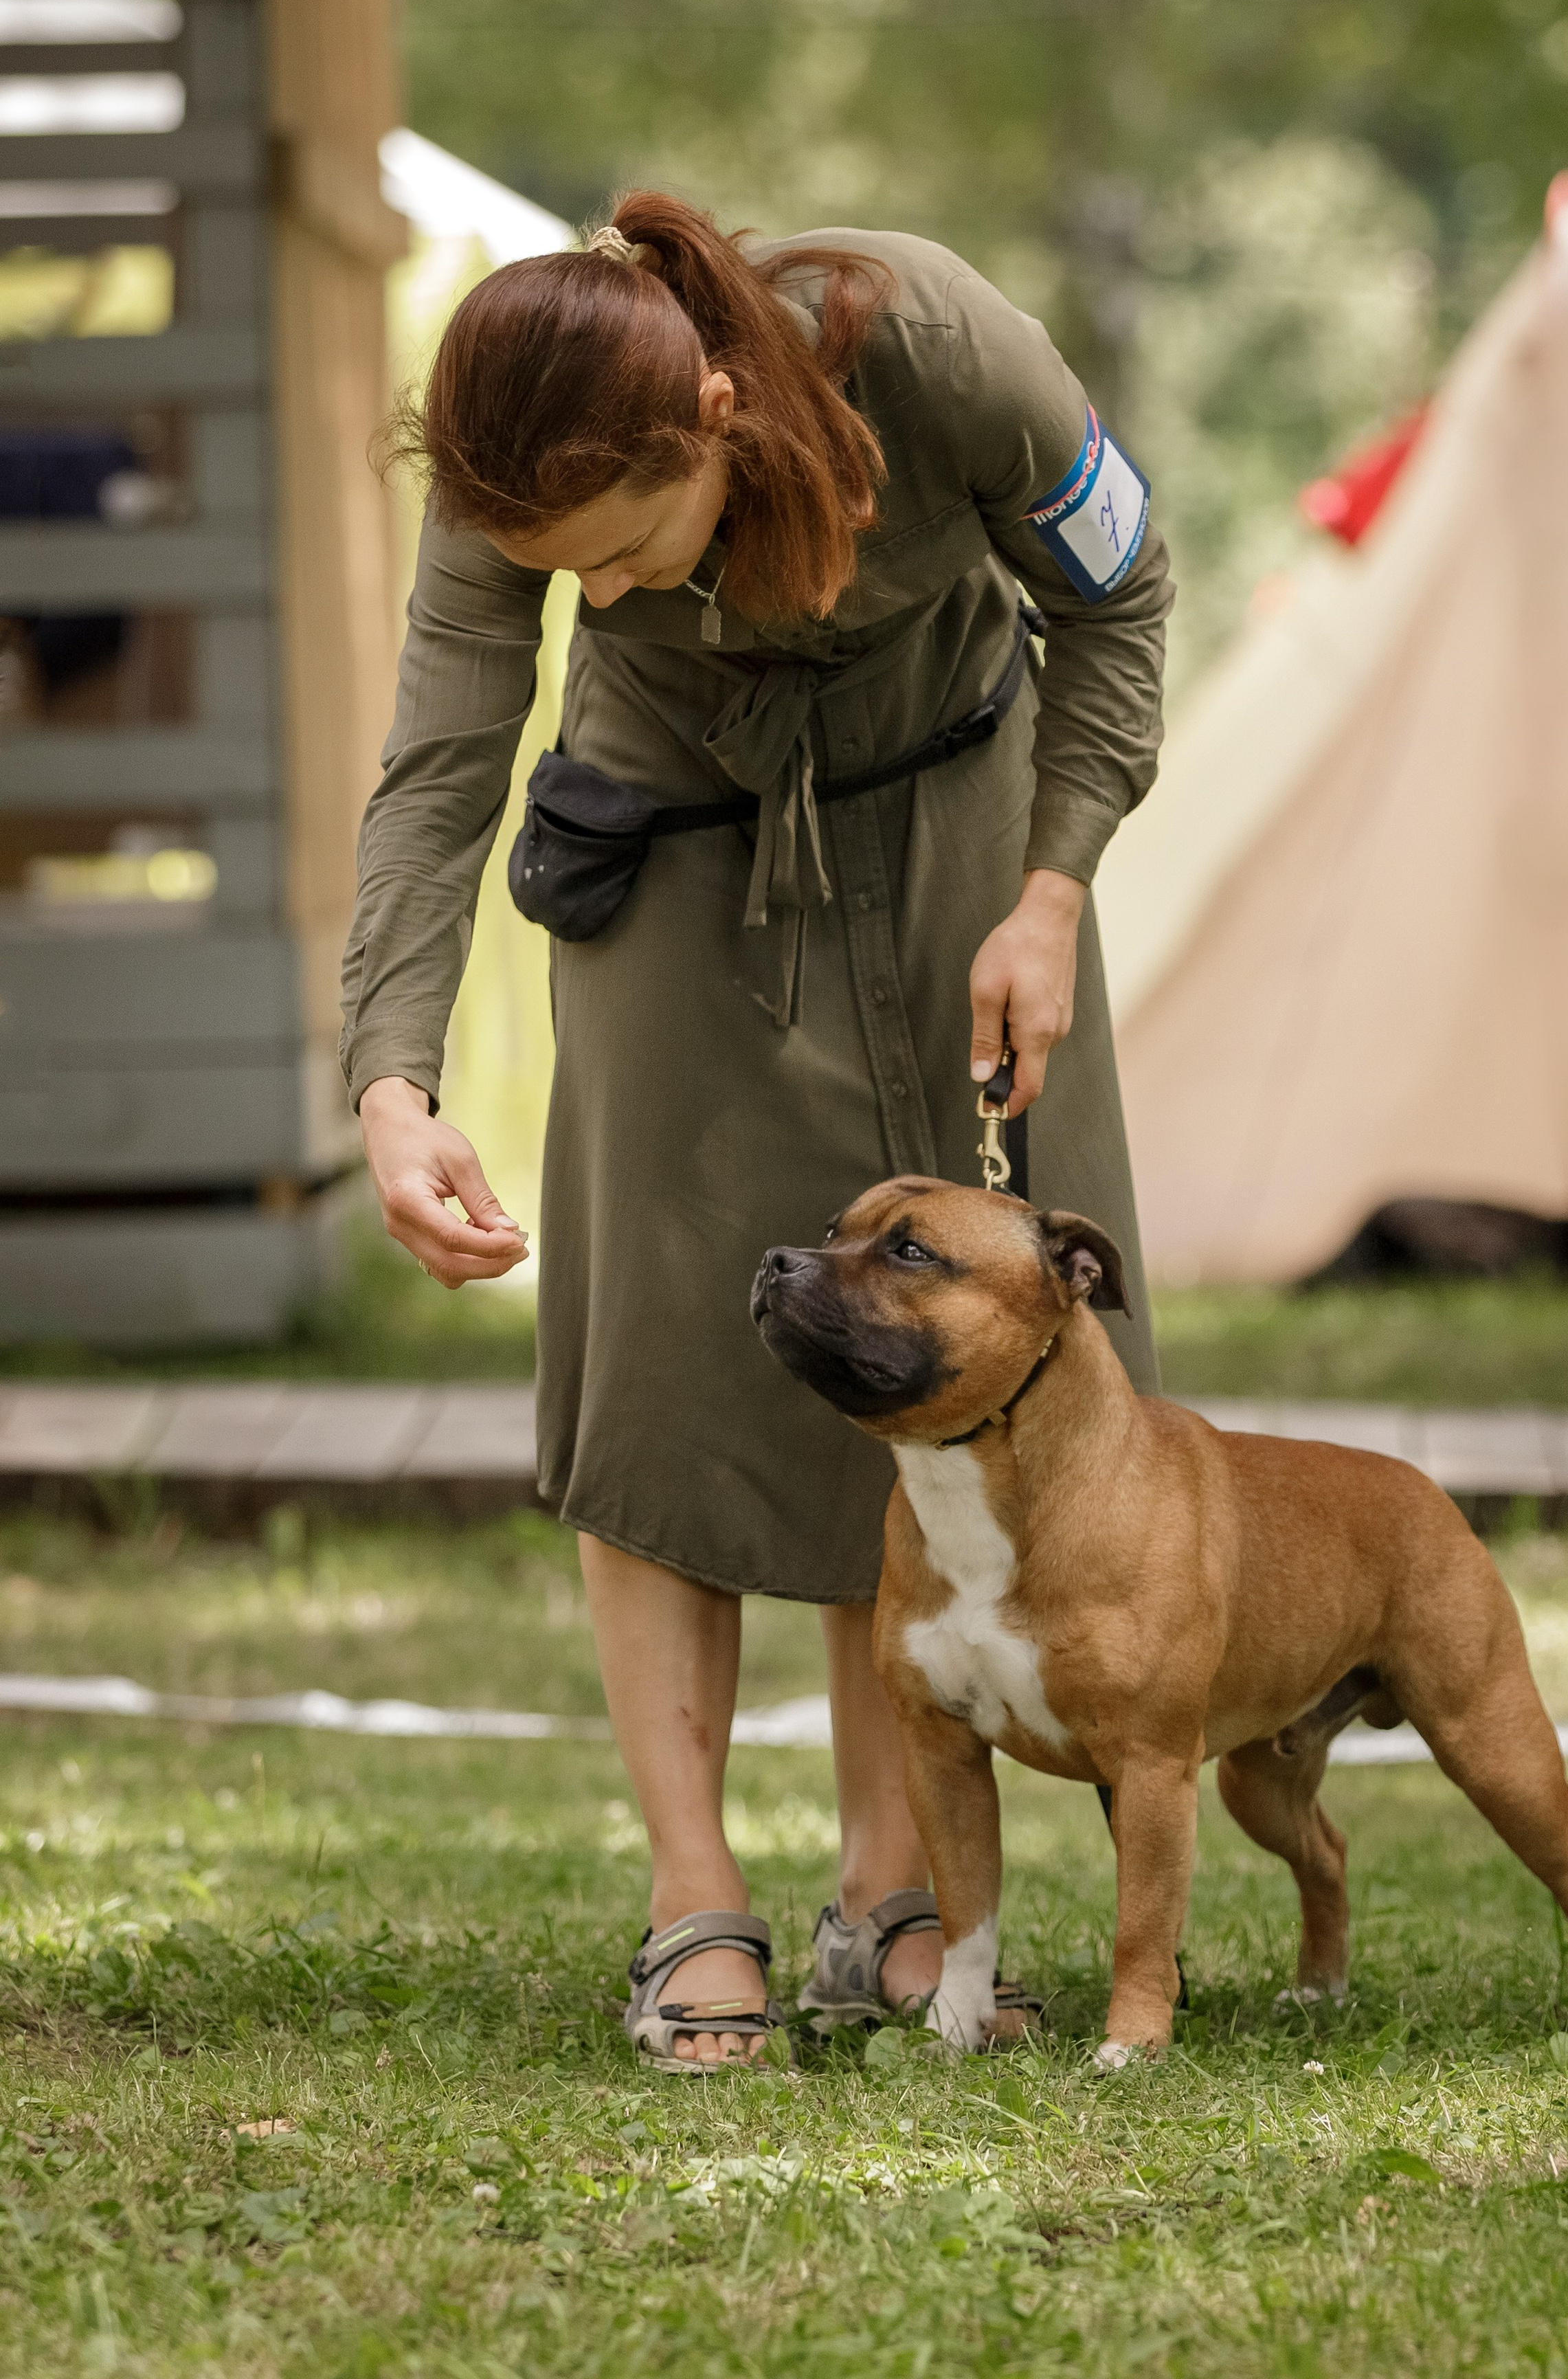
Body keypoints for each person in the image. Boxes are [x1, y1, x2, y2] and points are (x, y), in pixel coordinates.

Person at [344, 193, 1172, 2068]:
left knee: (937, 1340)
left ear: (717, 413)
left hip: (965, 817)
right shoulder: (513, 447)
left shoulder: (941, 354)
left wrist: (1049, 895)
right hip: (672, 835)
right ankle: (688, 1892)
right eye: (575, 579)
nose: (608, 596)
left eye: (627, 553)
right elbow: (444, 756)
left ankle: (893, 1895)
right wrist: (394, 1080)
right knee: (655, 1349)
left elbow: (1118, 599)